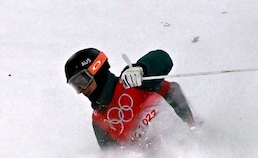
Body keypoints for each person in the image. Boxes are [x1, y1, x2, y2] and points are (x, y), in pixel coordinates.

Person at [64, 48, 196, 148]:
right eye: (76, 85)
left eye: (82, 80)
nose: (81, 89)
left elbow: (163, 58)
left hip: (185, 141)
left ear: (96, 70)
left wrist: (142, 68)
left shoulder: (131, 82)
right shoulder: (99, 120)